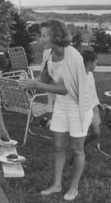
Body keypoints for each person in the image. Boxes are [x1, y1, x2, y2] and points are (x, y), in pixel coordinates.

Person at [18, 20, 92, 201]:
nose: (40, 39)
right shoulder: (48, 53)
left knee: (76, 148)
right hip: (61, 105)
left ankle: (73, 187)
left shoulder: (73, 56)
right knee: (59, 147)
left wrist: (37, 84)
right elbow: (45, 78)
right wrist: (29, 85)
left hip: (78, 106)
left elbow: (66, 88)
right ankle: (57, 185)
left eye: (43, 36)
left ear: (56, 37)